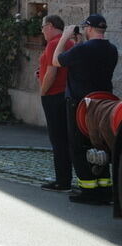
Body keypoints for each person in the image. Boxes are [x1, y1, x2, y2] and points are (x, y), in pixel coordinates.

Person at [53, 13, 119, 204]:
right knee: (101, 143)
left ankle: (88, 188)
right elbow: (88, 59)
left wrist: (65, 37)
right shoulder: (112, 50)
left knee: (78, 146)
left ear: (89, 29)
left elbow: (57, 60)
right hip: (104, 103)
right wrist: (80, 43)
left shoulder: (81, 50)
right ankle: (105, 188)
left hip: (80, 103)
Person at [37, 15, 74, 191]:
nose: (42, 31)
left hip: (54, 95)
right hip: (65, 95)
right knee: (65, 139)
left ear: (50, 26)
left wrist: (43, 92)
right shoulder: (69, 43)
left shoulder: (54, 44)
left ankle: (62, 181)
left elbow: (52, 72)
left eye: (43, 27)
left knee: (58, 140)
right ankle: (65, 178)